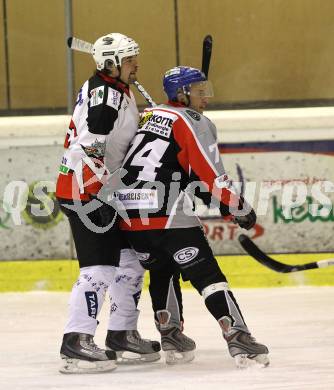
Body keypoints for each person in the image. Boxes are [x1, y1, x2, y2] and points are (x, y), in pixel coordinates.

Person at [114, 66, 270, 368]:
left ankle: (170, 334)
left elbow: (169, 166)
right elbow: (212, 173)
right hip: (167, 214)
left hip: (129, 215)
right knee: (209, 277)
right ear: (182, 94)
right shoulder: (194, 120)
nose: (206, 97)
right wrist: (236, 205)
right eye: (199, 91)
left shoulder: (149, 116)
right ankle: (239, 338)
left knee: (162, 271)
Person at [55, 33, 160, 374]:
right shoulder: (106, 98)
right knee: (98, 268)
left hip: (102, 190)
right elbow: (88, 149)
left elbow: (113, 139)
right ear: (111, 64)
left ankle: (121, 332)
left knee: (129, 261)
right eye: (130, 60)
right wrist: (98, 192)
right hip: (85, 191)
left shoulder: (115, 89)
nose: (136, 65)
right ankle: (76, 340)